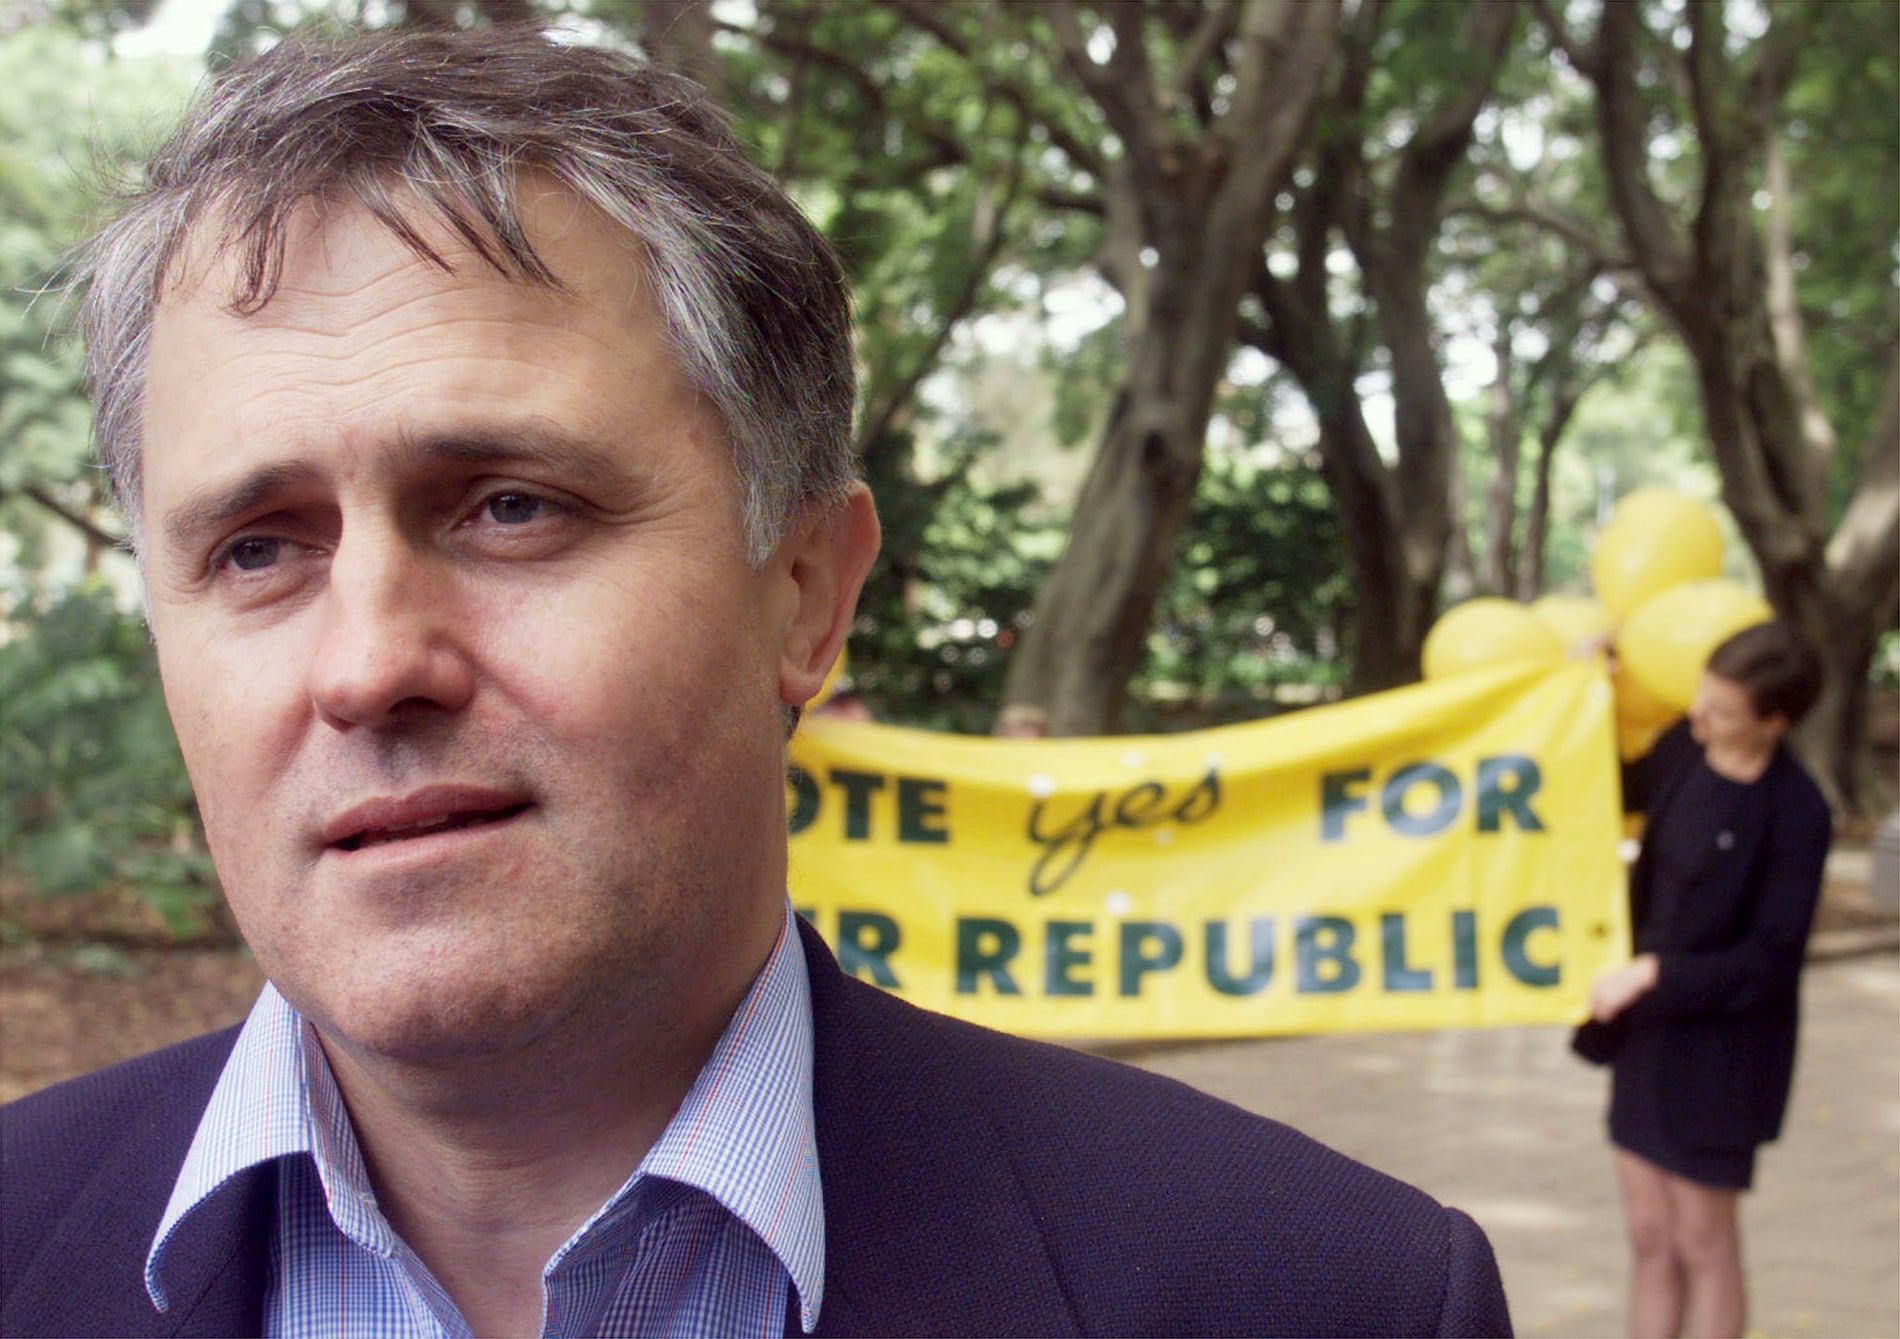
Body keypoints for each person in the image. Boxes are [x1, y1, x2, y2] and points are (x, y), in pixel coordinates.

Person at [0, 26, 1512, 1337]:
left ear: (806, 591)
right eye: (258, 548)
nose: (371, 660)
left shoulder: (1317, 1291)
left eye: (512, 505)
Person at [1584, 621, 1830, 1339]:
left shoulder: (1796, 811)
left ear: (1774, 721)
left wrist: (1655, 971)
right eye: (1701, 697)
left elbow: (1769, 962)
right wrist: (1580, 694)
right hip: (1646, 1034)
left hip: (1724, 1055)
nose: (1698, 716)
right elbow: (1600, 784)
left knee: (1703, 1241)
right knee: (1651, 1232)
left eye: (1720, 710)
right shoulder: (1680, 750)